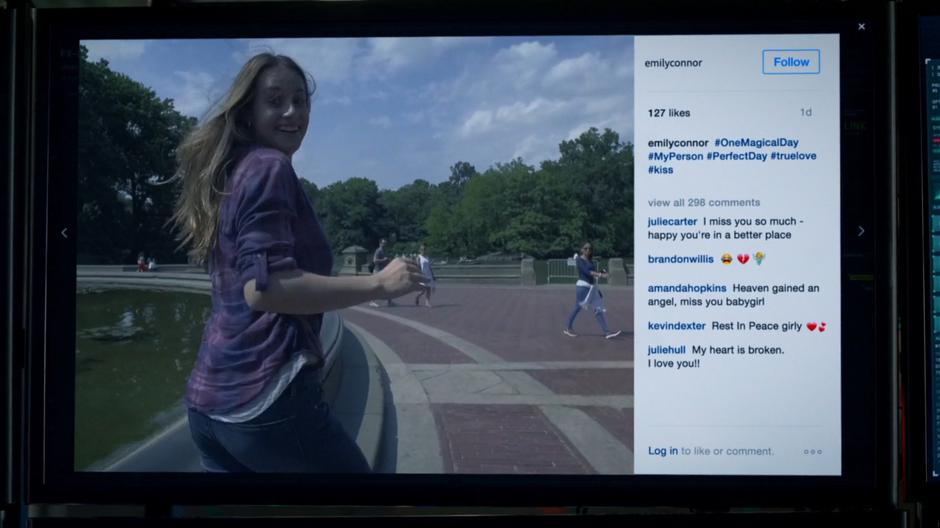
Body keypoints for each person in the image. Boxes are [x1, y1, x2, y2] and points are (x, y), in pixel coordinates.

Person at [169, 53, 424, 473]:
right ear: (248, 112)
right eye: (275, 100)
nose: (293, 112)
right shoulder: (268, 167)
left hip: (208, 407)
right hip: (265, 401)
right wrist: (379, 284)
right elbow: (265, 288)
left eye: (300, 101)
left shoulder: (235, 172)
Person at [563, 242, 622, 339]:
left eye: (590, 249)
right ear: (582, 249)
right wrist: (600, 275)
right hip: (582, 287)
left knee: (598, 308)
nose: (588, 250)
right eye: (585, 248)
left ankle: (607, 332)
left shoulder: (590, 261)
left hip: (591, 287)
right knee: (578, 307)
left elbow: (594, 273)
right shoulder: (579, 260)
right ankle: (568, 328)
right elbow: (587, 271)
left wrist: (598, 288)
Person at [369, 238, 394, 307]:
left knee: (388, 286)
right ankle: (371, 301)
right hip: (377, 271)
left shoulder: (385, 250)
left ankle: (389, 301)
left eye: (385, 243)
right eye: (383, 243)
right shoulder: (378, 250)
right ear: (380, 243)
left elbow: (386, 260)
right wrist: (383, 260)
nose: (384, 245)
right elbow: (374, 261)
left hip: (384, 271)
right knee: (376, 287)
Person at [415, 243, 436, 308]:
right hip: (422, 275)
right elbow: (417, 267)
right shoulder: (418, 257)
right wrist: (419, 275)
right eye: (422, 249)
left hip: (428, 275)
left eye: (424, 249)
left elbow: (429, 267)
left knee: (429, 289)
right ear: (420, 250)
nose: (423, 250)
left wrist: (433, 275)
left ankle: (427, 303)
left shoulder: (427, 257)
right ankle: (417, 297)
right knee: (423, 291)